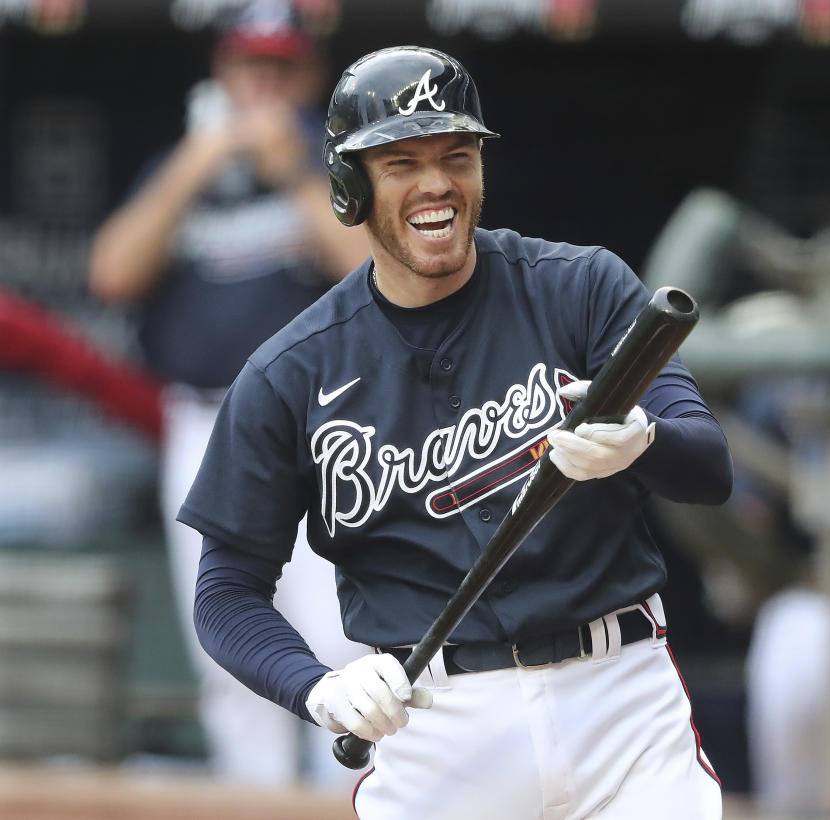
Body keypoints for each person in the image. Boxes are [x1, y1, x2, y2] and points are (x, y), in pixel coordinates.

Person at [178, 45, 734, 818]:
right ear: (348, 185)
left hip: (619, 699)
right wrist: (318, 687)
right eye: (400, 161)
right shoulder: (290, 372)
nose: (435, 182)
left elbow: (708, 468)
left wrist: (644, 443)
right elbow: (225, 593)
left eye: (456, 155)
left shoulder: (579, 288)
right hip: (437, 727)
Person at [87, 0, 370, 785]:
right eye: (251, 64)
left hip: (325, 429)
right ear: (223, 68)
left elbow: (372, 269)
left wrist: (293, 171)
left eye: (280, 66)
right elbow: (111, 272)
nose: (263, 82)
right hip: (207, 426)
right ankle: (253, 803)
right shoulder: (186, 165)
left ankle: (352, 803)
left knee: (341, 645)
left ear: (309, 74)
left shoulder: (338, 157)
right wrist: (199, 159)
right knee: (229, 646)